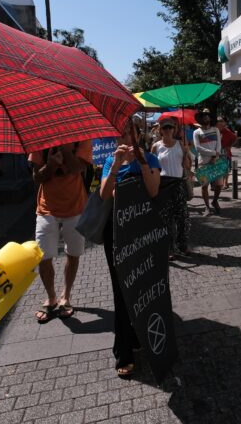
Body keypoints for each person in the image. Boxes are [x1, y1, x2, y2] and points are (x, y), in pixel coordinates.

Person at [100, 119, 161, 378]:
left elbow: (153, 191)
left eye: (130, 132)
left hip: (144, 231)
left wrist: (142, 162)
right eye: (121, 133)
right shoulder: (110, 161)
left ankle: (138, 336)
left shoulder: (150, 158)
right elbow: (104, 194)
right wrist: (116, 165)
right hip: (117, 232)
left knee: (142, 286)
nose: (125, 137)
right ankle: (122, 351)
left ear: (138, 134)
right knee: (121, 290)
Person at [29, 140, 93, 322]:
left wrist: (65, 150)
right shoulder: (39, 139)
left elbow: (77, 168)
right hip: (46, 209)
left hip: (76, 207)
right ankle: (51, 297)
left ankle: (66, 296)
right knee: (43, 256)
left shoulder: (82, 138)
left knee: (73, 254)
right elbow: (37, 177)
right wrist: (50, 165)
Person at [151, 117, 192, 258]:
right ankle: (169, 248)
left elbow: (187, 166)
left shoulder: (181, 144)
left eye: (170, 127)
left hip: (178, 183)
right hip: (162, 185)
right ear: (160, 130)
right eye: (165, 127)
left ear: (174, 129)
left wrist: (186, 152)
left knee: (183, 217)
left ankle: (183, 245)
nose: (168, 130)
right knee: (166, 219)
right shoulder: (156, 146)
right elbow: (152, 167)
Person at [193, 109, 225, 214]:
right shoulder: (196, 132)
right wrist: (213, 153)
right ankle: (207, 207)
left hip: (216, 161)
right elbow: (198, 148)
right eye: (204, 116)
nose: (206, 118)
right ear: (201, 119)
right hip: (203, 162)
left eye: (207, 116)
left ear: (210, 118)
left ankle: (214, 201)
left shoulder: (215, 130)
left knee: (219, 185)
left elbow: (219, 145)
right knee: (204, 186)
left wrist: (215, 156)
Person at [216, 116, 237, 189]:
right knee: (218, 169)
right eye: (219, 122)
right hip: (216, 152)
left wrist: (230, 146)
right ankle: (219, 183)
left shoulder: (227, 131)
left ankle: (225, 183)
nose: (220, 123)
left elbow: (235, 138)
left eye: (221, 122)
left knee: (225, 168)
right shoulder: (214, 130)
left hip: (225, 152)